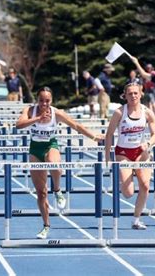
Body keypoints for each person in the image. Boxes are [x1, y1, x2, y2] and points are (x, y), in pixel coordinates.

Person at [16, 86, 104, 239]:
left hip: (50, 144)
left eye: (47, 101)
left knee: (55, 165)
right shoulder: (30, 110)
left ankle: (57, 190)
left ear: (52, 101)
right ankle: (46, 225)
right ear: (37, 100)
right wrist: (38, 119)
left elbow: (76, 125)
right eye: (41, 101)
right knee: (41, 193)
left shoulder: (57, 113)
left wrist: (94, 137)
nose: (44, 104)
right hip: (35, 149)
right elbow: (18, 125)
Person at [104, 82, 155, 229]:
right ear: (125, 96)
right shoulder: (119, 113)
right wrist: (107, 157)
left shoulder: (147, 112)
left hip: (141, 152)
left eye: (136, 93)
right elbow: (109, 135)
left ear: (140, 94)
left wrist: (147, 144)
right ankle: (125, 178)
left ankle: (136, 220)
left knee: (145, 186)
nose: (133, 96)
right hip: (123, 153)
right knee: (128, 193)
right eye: (130, 93)